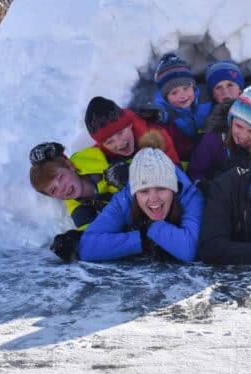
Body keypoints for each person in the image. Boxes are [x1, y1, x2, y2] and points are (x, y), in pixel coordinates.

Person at [50, 133, 204, 263]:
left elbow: (188, 249)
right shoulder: (125, 199)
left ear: (173, 187)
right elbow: (89, 246)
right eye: (144, 191)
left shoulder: (190, 196)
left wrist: (152, 227)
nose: (153, 199)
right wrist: (143, 239)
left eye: (161, 188)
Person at [29, 142, 122, 230]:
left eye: (61, 178)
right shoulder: (76, 206)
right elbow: (89, 230)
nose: (61, 188)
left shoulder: (99, 160)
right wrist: (77, 238)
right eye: (53, 190)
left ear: (70, 166)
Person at [85, 96, 180, 167]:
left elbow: (177, 174)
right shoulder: (100, 153)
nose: (119, 144)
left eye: (120, 133)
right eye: (109, 142)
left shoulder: (157, 136)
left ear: (129, 125)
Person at [150, 53, 213, 160]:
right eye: (174, 93)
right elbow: (155, 111)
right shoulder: (166, 111)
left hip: (209, 145)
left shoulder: (205, 97)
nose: (182, 96)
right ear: (166, 98)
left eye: (186, 88)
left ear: (193, 86)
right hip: (184, 152)